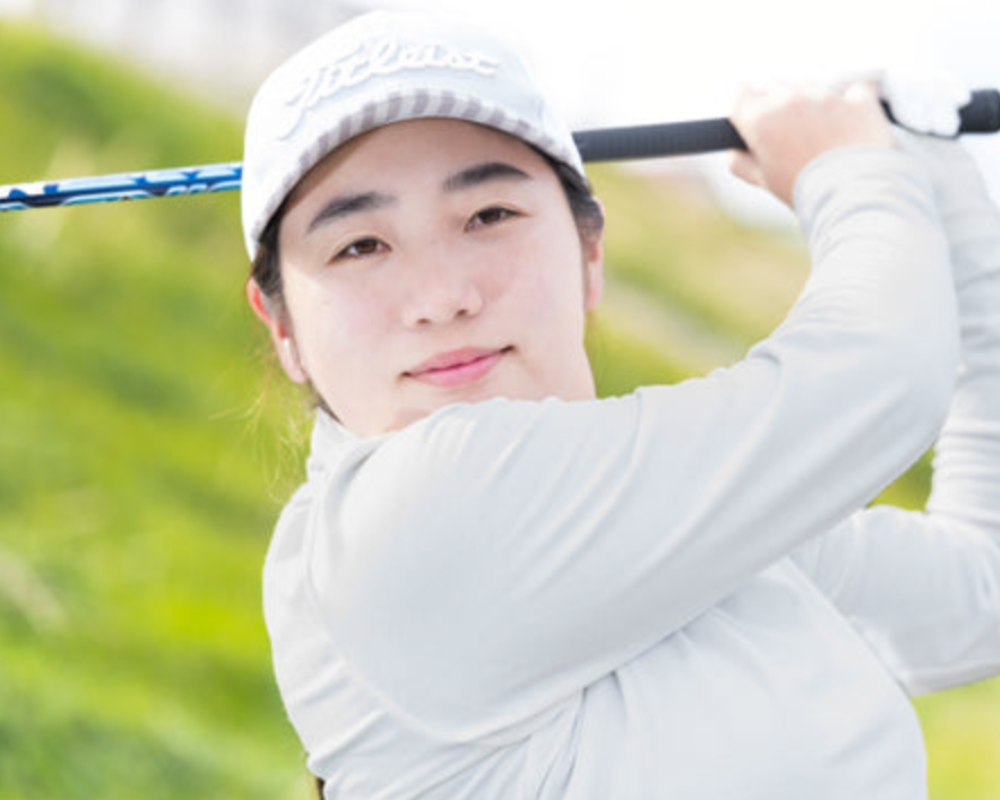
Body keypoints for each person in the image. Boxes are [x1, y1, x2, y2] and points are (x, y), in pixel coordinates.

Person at [240, 10, 1000, 799]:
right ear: (283, 327)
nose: (442, 297)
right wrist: (852, 169)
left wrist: (939, 184)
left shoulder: (681, 514)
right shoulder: (406, 520)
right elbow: (879, 379)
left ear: (589, 252)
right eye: (359, 245)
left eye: (489, 215)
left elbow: (982, 591)